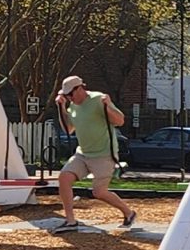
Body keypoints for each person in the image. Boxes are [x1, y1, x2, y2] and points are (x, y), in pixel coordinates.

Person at [53, 75, 137, 231]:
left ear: (80, 88)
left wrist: (108, 106)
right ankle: (70, 221)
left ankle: (129, 213)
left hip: (103, 154)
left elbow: (120, 121)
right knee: (64, 178)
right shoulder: (72, 107)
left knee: (99, 192)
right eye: (66, 95)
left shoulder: (98, 99)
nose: (69, 97)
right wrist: (62, 108)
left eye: (70, 94)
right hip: (83, 154)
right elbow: (68, 129)